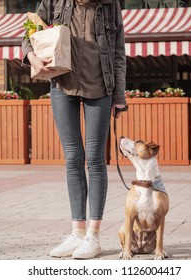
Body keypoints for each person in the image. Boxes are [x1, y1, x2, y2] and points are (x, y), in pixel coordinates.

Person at [22, 0, 127, 259]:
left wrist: (119, 95)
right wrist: (33, 58)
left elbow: (118, 52)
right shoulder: (54, 1)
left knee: (94, 159)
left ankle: (93, 236)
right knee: (72, 158)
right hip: (61, 85)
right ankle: (77, 232)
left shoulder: (109, 5)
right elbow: (28, 32)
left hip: (100, 87)